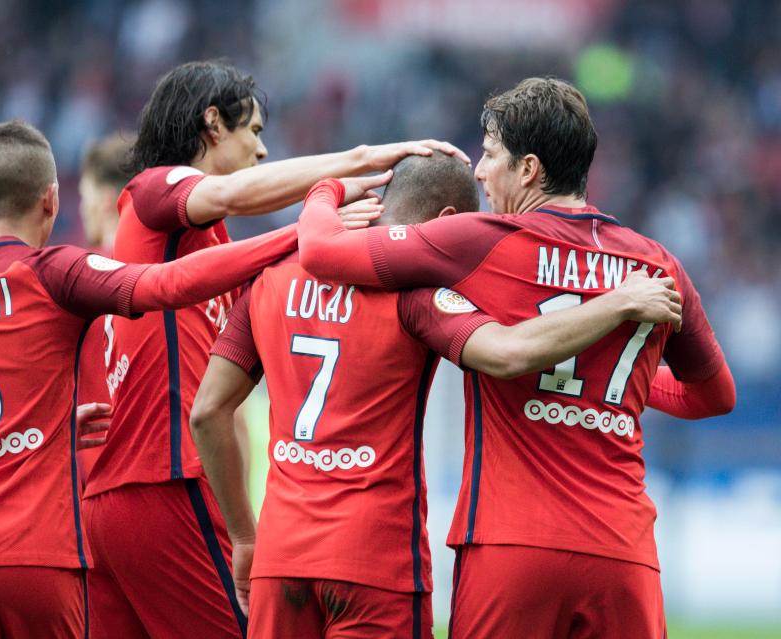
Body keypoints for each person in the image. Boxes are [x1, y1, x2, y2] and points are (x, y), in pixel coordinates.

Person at [295, 78, 735, 638]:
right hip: (622, 552)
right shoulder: (657, 265)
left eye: (490, 154)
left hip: (510, 545)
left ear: (528, 169)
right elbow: (715, 395)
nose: (479, 171)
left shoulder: (480, 240)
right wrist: (625, 390)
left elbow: (321, 253)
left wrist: (324, 190)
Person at [189, 151, 682, 639]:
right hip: (376, 562)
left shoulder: (271, 279)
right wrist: (616, 311)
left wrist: (244, 536)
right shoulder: (417, 294)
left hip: (281, 559)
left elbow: (208, 412)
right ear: (447, 220)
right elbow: (508, 353)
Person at [81, 59, 459, 639]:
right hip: (166, 480)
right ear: (212, 124)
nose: (262, 151)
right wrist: (344, 181)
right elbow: (236, 191)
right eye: (253, 132)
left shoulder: (210, 245)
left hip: (117, 498)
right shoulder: (154, 187)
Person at [0, 120, 300, 638]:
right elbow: (168, 282)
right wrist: (296, 234)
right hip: (38, 557)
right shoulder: (53, 272)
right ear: (51, 201)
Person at [75, 134, 134, 481]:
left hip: (94, 477)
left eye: (86, 196)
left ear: (107, 200)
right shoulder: (174, 274)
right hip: (168, 478)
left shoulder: (71, 278)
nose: (82, 209)